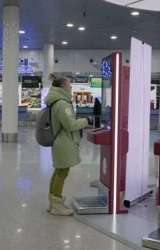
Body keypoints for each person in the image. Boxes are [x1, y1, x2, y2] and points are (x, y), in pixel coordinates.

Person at [44, 73, 93, 216]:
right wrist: (87, 121)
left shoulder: (55, 101)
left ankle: (53, 202)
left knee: (58, 172)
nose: (71, 88)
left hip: (59, 141)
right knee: (62, 173)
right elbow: (70, 125)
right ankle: (57, 206)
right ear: (63, 87)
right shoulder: (62, 103)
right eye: (69, 85)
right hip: (64, 141)